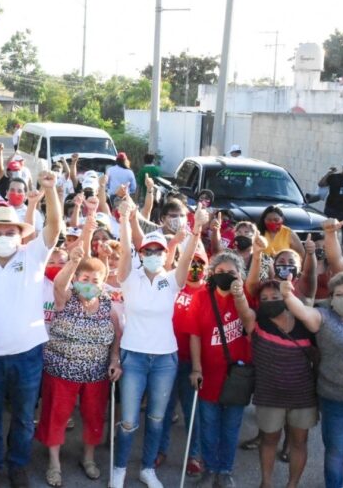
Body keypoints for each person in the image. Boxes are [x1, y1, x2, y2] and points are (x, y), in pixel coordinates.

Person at [0, 169, 63, 488]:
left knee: (23, 416)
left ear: (20, 234)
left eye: (11, 231)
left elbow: (54, 227)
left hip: (28, 353)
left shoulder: (33, 254)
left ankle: (17, 465)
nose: (5, 236)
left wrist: (49, 192)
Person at [110, 199, 206, 488]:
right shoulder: (128, 277)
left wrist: (198, 228)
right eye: (147, 250)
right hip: (134, 357)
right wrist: (126, 219)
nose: (152, 254)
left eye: (158, 251)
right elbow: (125, 248)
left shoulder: (172, 279)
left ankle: (147, 469)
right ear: (141, 253)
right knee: (128, 421)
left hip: (166, 359)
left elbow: (187, 257)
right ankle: (120, 469)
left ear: (165, 255)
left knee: (155, 418)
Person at [35, 246, 121, 487]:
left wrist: (115, 359)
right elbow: (58, 285)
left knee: (94, 416)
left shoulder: (107, 305)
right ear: (76, 279)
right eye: (85, 279)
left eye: (96, 280)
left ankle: (89, 458)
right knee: (56, 415)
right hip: (60, 370)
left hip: (96, 373)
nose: (90, 283)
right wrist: (72, 262)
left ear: (103, 283)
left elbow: (117, 334)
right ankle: (54, 463)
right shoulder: (65, 298)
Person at [188, 252, 253, 488]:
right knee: (208, 426)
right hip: (209, 375)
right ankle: (210, 469)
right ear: (212, 275)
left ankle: (225, 470)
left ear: (240, 276)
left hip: (237, 376)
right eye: (220, 273)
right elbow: (195, 334)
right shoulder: (201, 297)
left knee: (231, 427)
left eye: (231, 273)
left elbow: (250, 323)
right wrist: (196, 368)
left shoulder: (246, 296)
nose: (225, 277)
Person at [243, 280, 318, 488]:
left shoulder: (305, 323)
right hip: (269, 395)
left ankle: (292, 485)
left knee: (299, 442)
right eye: (264, 299)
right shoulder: (258, 321)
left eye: (275, 297)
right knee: (269, 440)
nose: (270, 302)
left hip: (303, 396)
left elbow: (318, 356)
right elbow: (243, 306)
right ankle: (266, 483)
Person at [282, 270, 343, 488]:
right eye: (339, 294)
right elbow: (302, 311)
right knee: (336, 452)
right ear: (331, 299)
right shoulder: (324, 318)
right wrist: (287, 294)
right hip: (335, 400)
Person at [155, 246, 208, 477]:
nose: (194, 267)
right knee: (163, 410)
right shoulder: (173, 287)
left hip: (192, 362)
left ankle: (194, 454)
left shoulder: (209, 293)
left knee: (191, 411)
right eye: (190, 262)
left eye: (200, 263)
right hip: (167, 357)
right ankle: (159, 450)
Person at [318, 162, 343, 254]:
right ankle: (324, 252)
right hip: (332, 210)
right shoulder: (334, 177)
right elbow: (321, 184)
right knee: (328, 232)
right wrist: (329, 173)